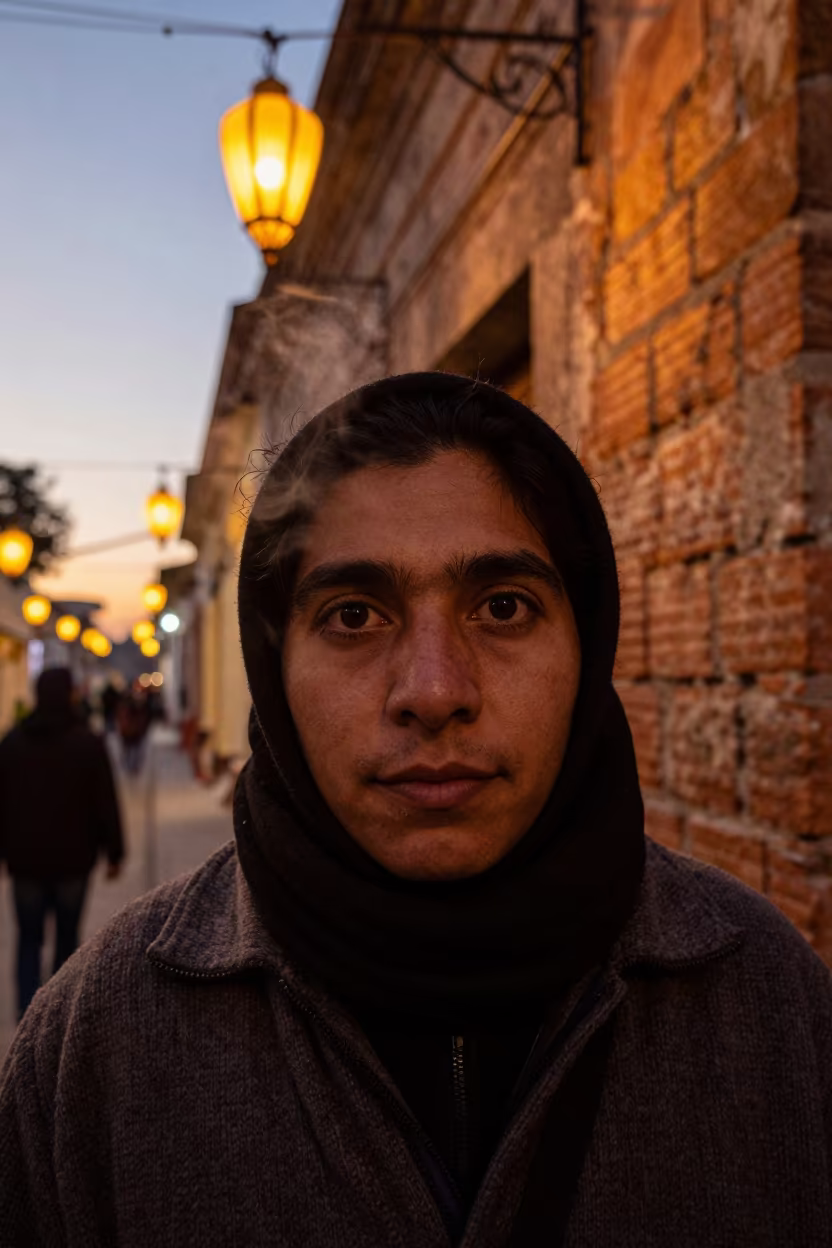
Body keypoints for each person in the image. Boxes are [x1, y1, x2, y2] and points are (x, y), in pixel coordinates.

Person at [1, 374, 830, 1246]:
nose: (434, 692)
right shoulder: (94, 1054)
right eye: (355, 616)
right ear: (274, 668)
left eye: (503, 608)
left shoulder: (771, 1009)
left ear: (586, 647)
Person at [0, 666, 124, 1021]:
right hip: (73, 861)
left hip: (26, 862)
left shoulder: (13, 743)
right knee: (67, 941)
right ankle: (55, 1017)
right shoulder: (87, 743)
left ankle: (27, 1014)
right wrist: (114, 852)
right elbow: (105, 802)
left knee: (28, 938)